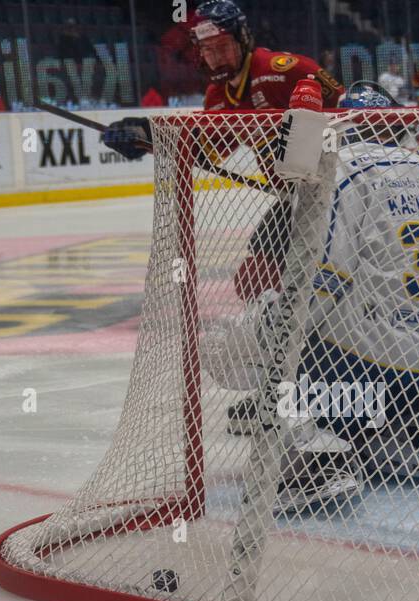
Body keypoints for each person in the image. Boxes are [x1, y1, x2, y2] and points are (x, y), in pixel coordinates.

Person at [202, 82, 419, 512]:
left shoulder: (341, 171)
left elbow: (324, 281)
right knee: (384, 422)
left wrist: (270, 327)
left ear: (342, 125)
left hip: (356, 373)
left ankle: (317, 459)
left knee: (224, 346)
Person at [100, 0, 345, 436]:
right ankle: (282, 383)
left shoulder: (282, 68)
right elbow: (204, 151)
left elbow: (355, 109)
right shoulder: (219, 96)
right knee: (254, 280)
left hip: (341, 194)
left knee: (334, 289)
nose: (215, 57)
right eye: (207, 50)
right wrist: (148, 136)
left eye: (223, 47)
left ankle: (316, 382)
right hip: (294, 203)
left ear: (243, 39)